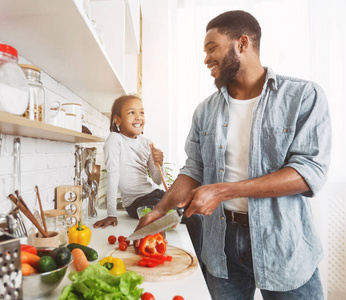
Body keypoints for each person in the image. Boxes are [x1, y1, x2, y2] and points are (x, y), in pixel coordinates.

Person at [134, 10, 331, 300]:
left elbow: (308, 172)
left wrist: (223, 191)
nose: (206, 58)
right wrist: (161, 210)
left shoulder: (303, 96)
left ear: (242, 43)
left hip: (285, 244)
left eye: (212, 48)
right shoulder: (205, 110)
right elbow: (194, 169)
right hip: (222, 245)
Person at [93, 95, 166, 229]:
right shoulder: (115, 140)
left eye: (141, 113)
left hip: (155, 193)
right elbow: (113, 176)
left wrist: (159, 163)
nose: (138, 117)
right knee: (171, 211)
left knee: (191, 212)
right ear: (117, 120)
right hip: (136, 202)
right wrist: (111, 214)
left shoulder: (147, 142)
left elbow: (157, 181)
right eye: (132, 112)